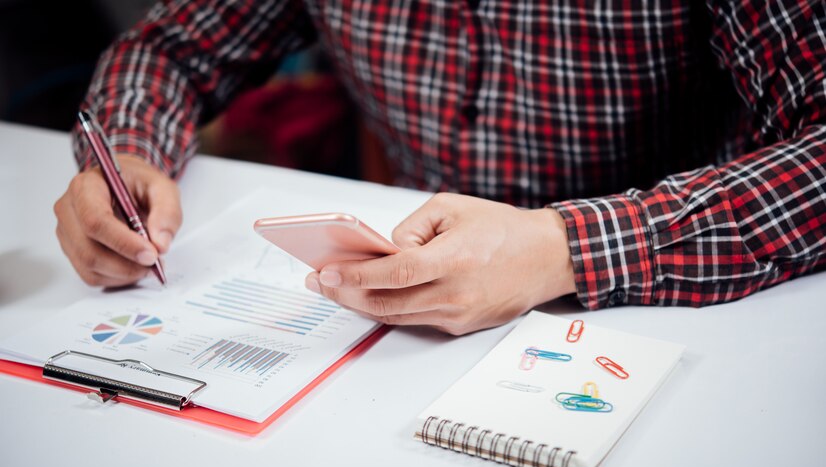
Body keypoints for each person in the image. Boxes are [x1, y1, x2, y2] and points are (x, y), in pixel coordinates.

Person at [54, 0, 826, 335]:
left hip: (667, 309)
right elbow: (173, 46)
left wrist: (564, 248)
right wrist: (125, 151)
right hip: (397, 331)